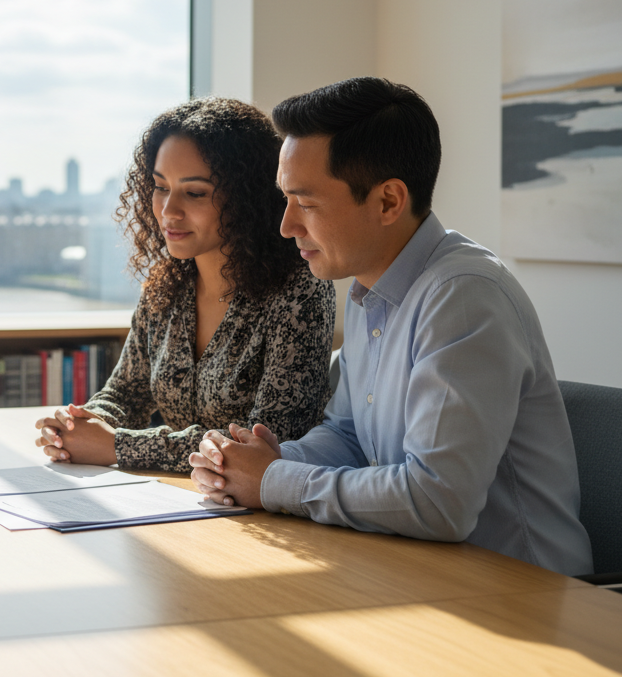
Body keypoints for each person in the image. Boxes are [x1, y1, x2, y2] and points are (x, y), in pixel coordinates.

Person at [190, 77, 593, 577]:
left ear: (387, 202)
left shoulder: (463, 296)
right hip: (418, 570)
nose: (286, 226)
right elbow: (351, 436)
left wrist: (274, 481)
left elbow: (437, 500)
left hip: (521, 593)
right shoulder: (366, 291)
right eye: (285, 200)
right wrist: (260, 461)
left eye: (307, 203)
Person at [33, 97, 335, 472]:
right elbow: (125, 393)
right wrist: (78, 426)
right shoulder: (166, 286)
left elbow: (268, 441)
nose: (168, 210)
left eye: (194, 193)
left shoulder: (299, 290)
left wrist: (117, 446)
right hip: (183, 502)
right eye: (161, 187)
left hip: (264, 517)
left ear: (247, 197)